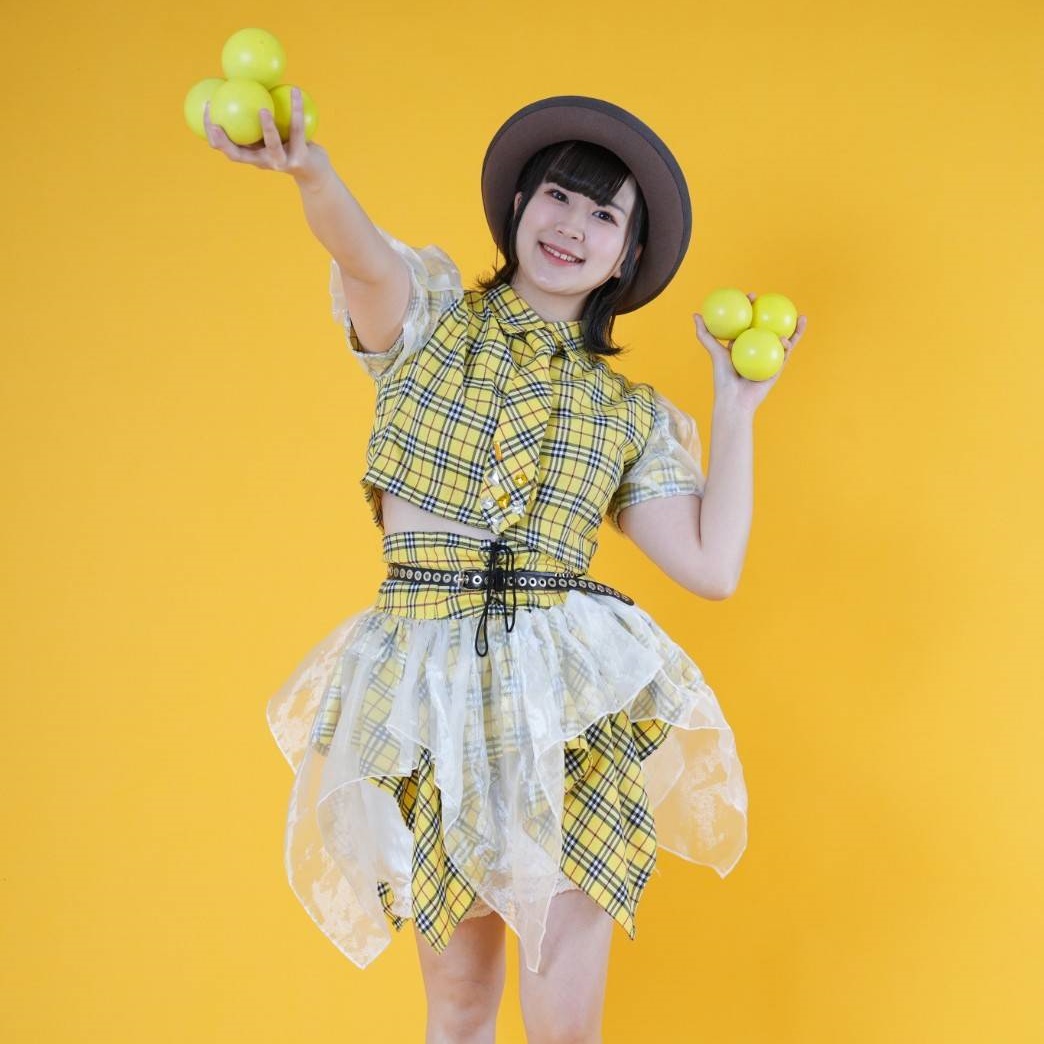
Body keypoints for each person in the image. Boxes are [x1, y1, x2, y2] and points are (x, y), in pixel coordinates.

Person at [205, 92, 806, 1041]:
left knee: (566, 1029)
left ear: (627, 255)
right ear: (521, 204)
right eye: (559, 196)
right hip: (433, 694)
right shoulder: (428, 317)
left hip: (561, 708)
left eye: (604, 215)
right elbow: (359, 253)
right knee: (460, 1011)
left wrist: (736, 406)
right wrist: (310, 172)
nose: (573, 226)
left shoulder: (628, 413)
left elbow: (711, 565)